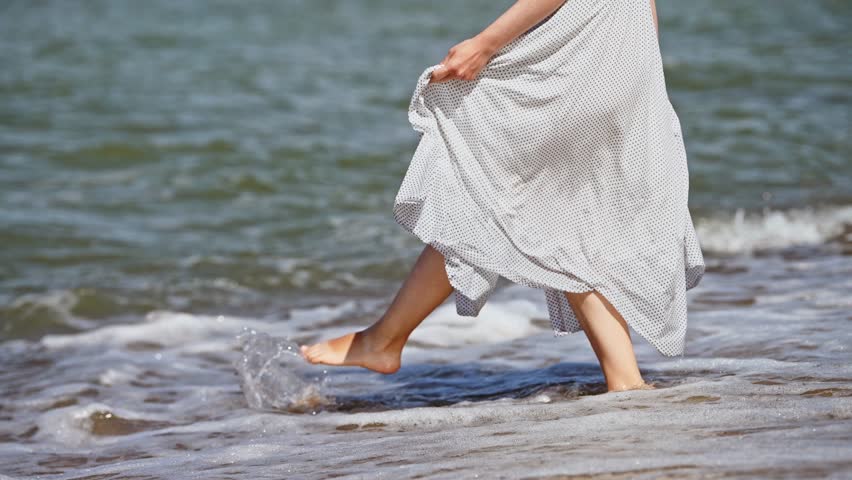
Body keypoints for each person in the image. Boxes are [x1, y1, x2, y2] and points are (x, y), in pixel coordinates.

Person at [300, 0, 705, 394]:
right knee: (550, 209)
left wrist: (486, 43)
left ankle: (385, 340)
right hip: (625, 51)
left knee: (495, 194)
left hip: (588, 49)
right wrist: (647, 69)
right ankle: (625, 380)